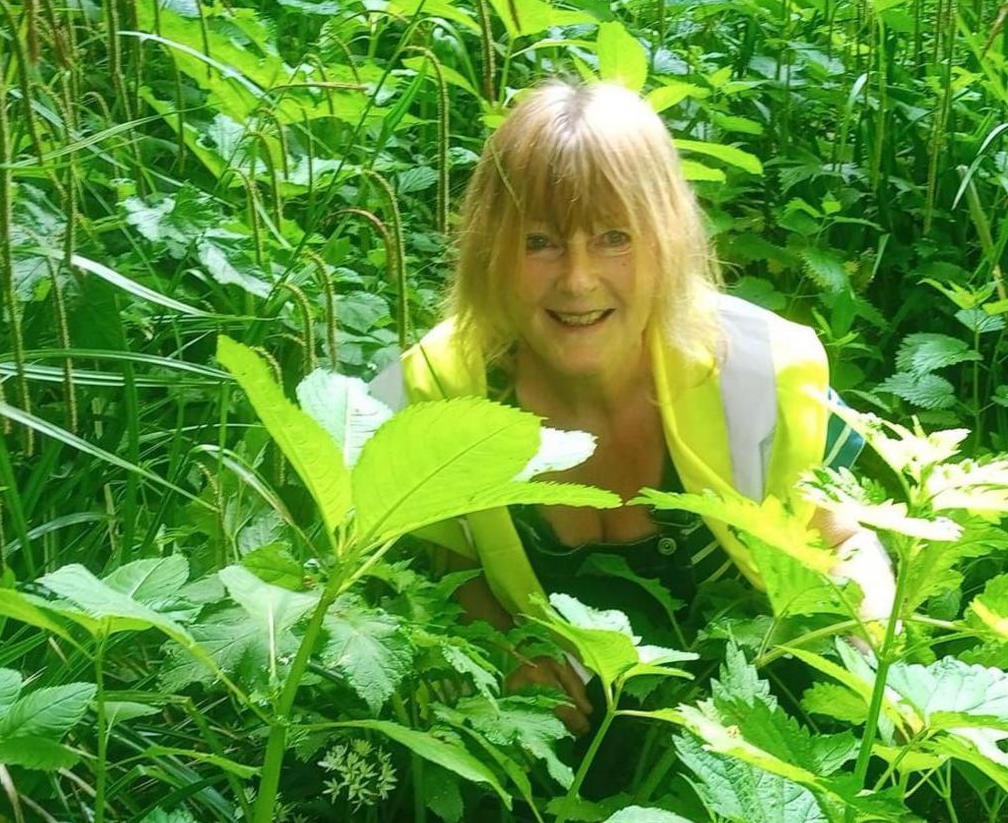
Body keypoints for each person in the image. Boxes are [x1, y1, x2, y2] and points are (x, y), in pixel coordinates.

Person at [370, 80, 895, 734]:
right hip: (562, 758)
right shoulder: (436, 391)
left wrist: (874, 656)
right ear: (489, 248)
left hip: (764, 725)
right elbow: (457, 565)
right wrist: (506, 649)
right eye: (540, 242)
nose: (578, 279)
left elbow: (842, 537)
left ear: (667, 240)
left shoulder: (761, 369)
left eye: (614, 236)